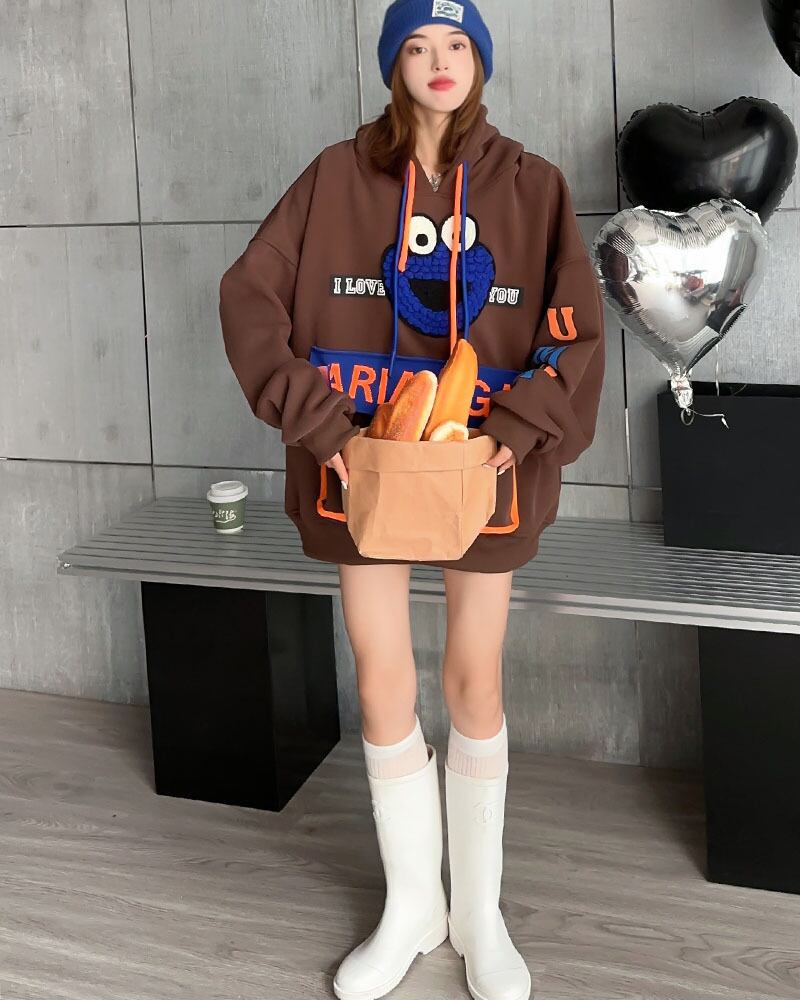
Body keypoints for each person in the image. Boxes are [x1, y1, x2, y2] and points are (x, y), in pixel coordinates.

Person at [218, 2, 605, 997]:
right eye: (419, 47)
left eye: (457, 45)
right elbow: (249, 297)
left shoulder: (533, 185)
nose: (439, 62)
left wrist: (514, 433)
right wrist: (323, 430)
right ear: (394, 64)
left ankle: (477, 915)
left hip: (484, 472)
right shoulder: (332, 177)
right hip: (363, 467)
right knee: (382, 678)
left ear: (479, 61)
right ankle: (411, 908)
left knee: (475, 681)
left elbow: (575, 334)